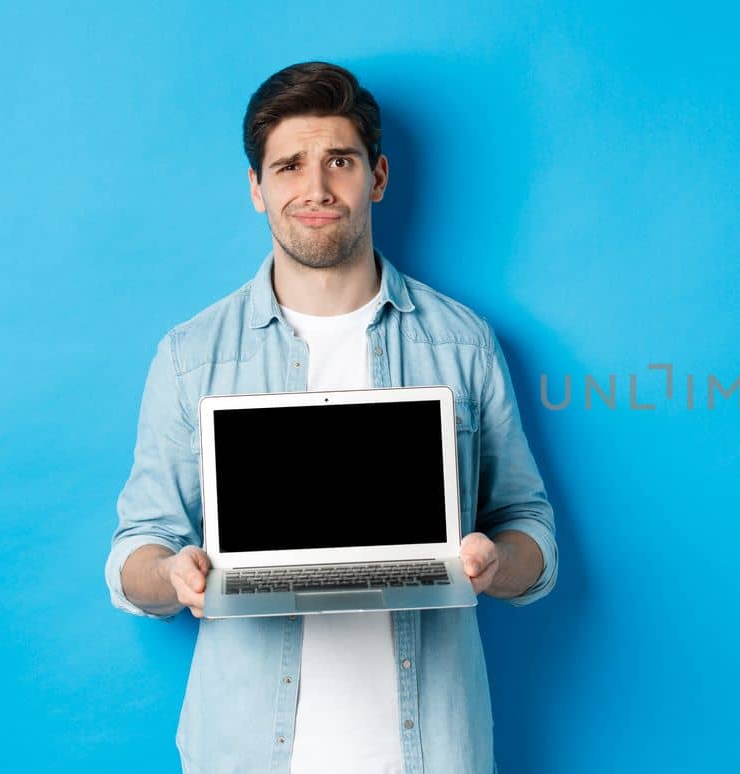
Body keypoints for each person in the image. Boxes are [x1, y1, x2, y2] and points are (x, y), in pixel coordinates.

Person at [103, 61, 558, 774]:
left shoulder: (462, 342)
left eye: (338, 161)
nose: (314, 189)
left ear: (376, 177)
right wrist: (175, 575)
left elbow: (530, 526)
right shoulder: (191, 356)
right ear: (257, 188)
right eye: (288, 166)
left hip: (432, 751)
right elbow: (136, 550)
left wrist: (494, 563)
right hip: (245, 753)